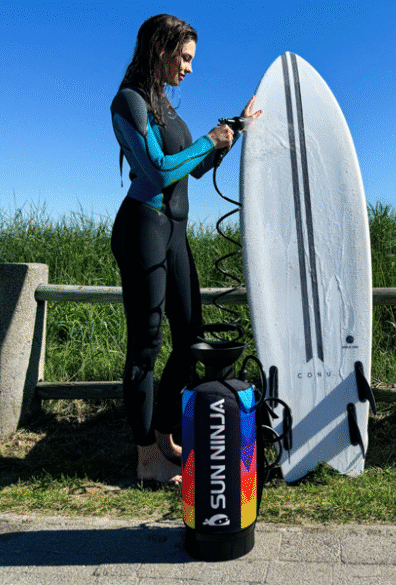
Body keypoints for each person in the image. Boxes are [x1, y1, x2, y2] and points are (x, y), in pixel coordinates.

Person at [110, 14, 261, 485]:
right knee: (146, 346)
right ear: (162, 49)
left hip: (176, 233)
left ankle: (163, 433)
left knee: (191, 336)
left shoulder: (167, 107)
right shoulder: (130, 102)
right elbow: (158, 171)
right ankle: (146, 459)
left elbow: (191, 168)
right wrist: (206, 141)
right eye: (186, 57)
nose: (190, 69)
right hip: (143, 230)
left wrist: (230, 135)